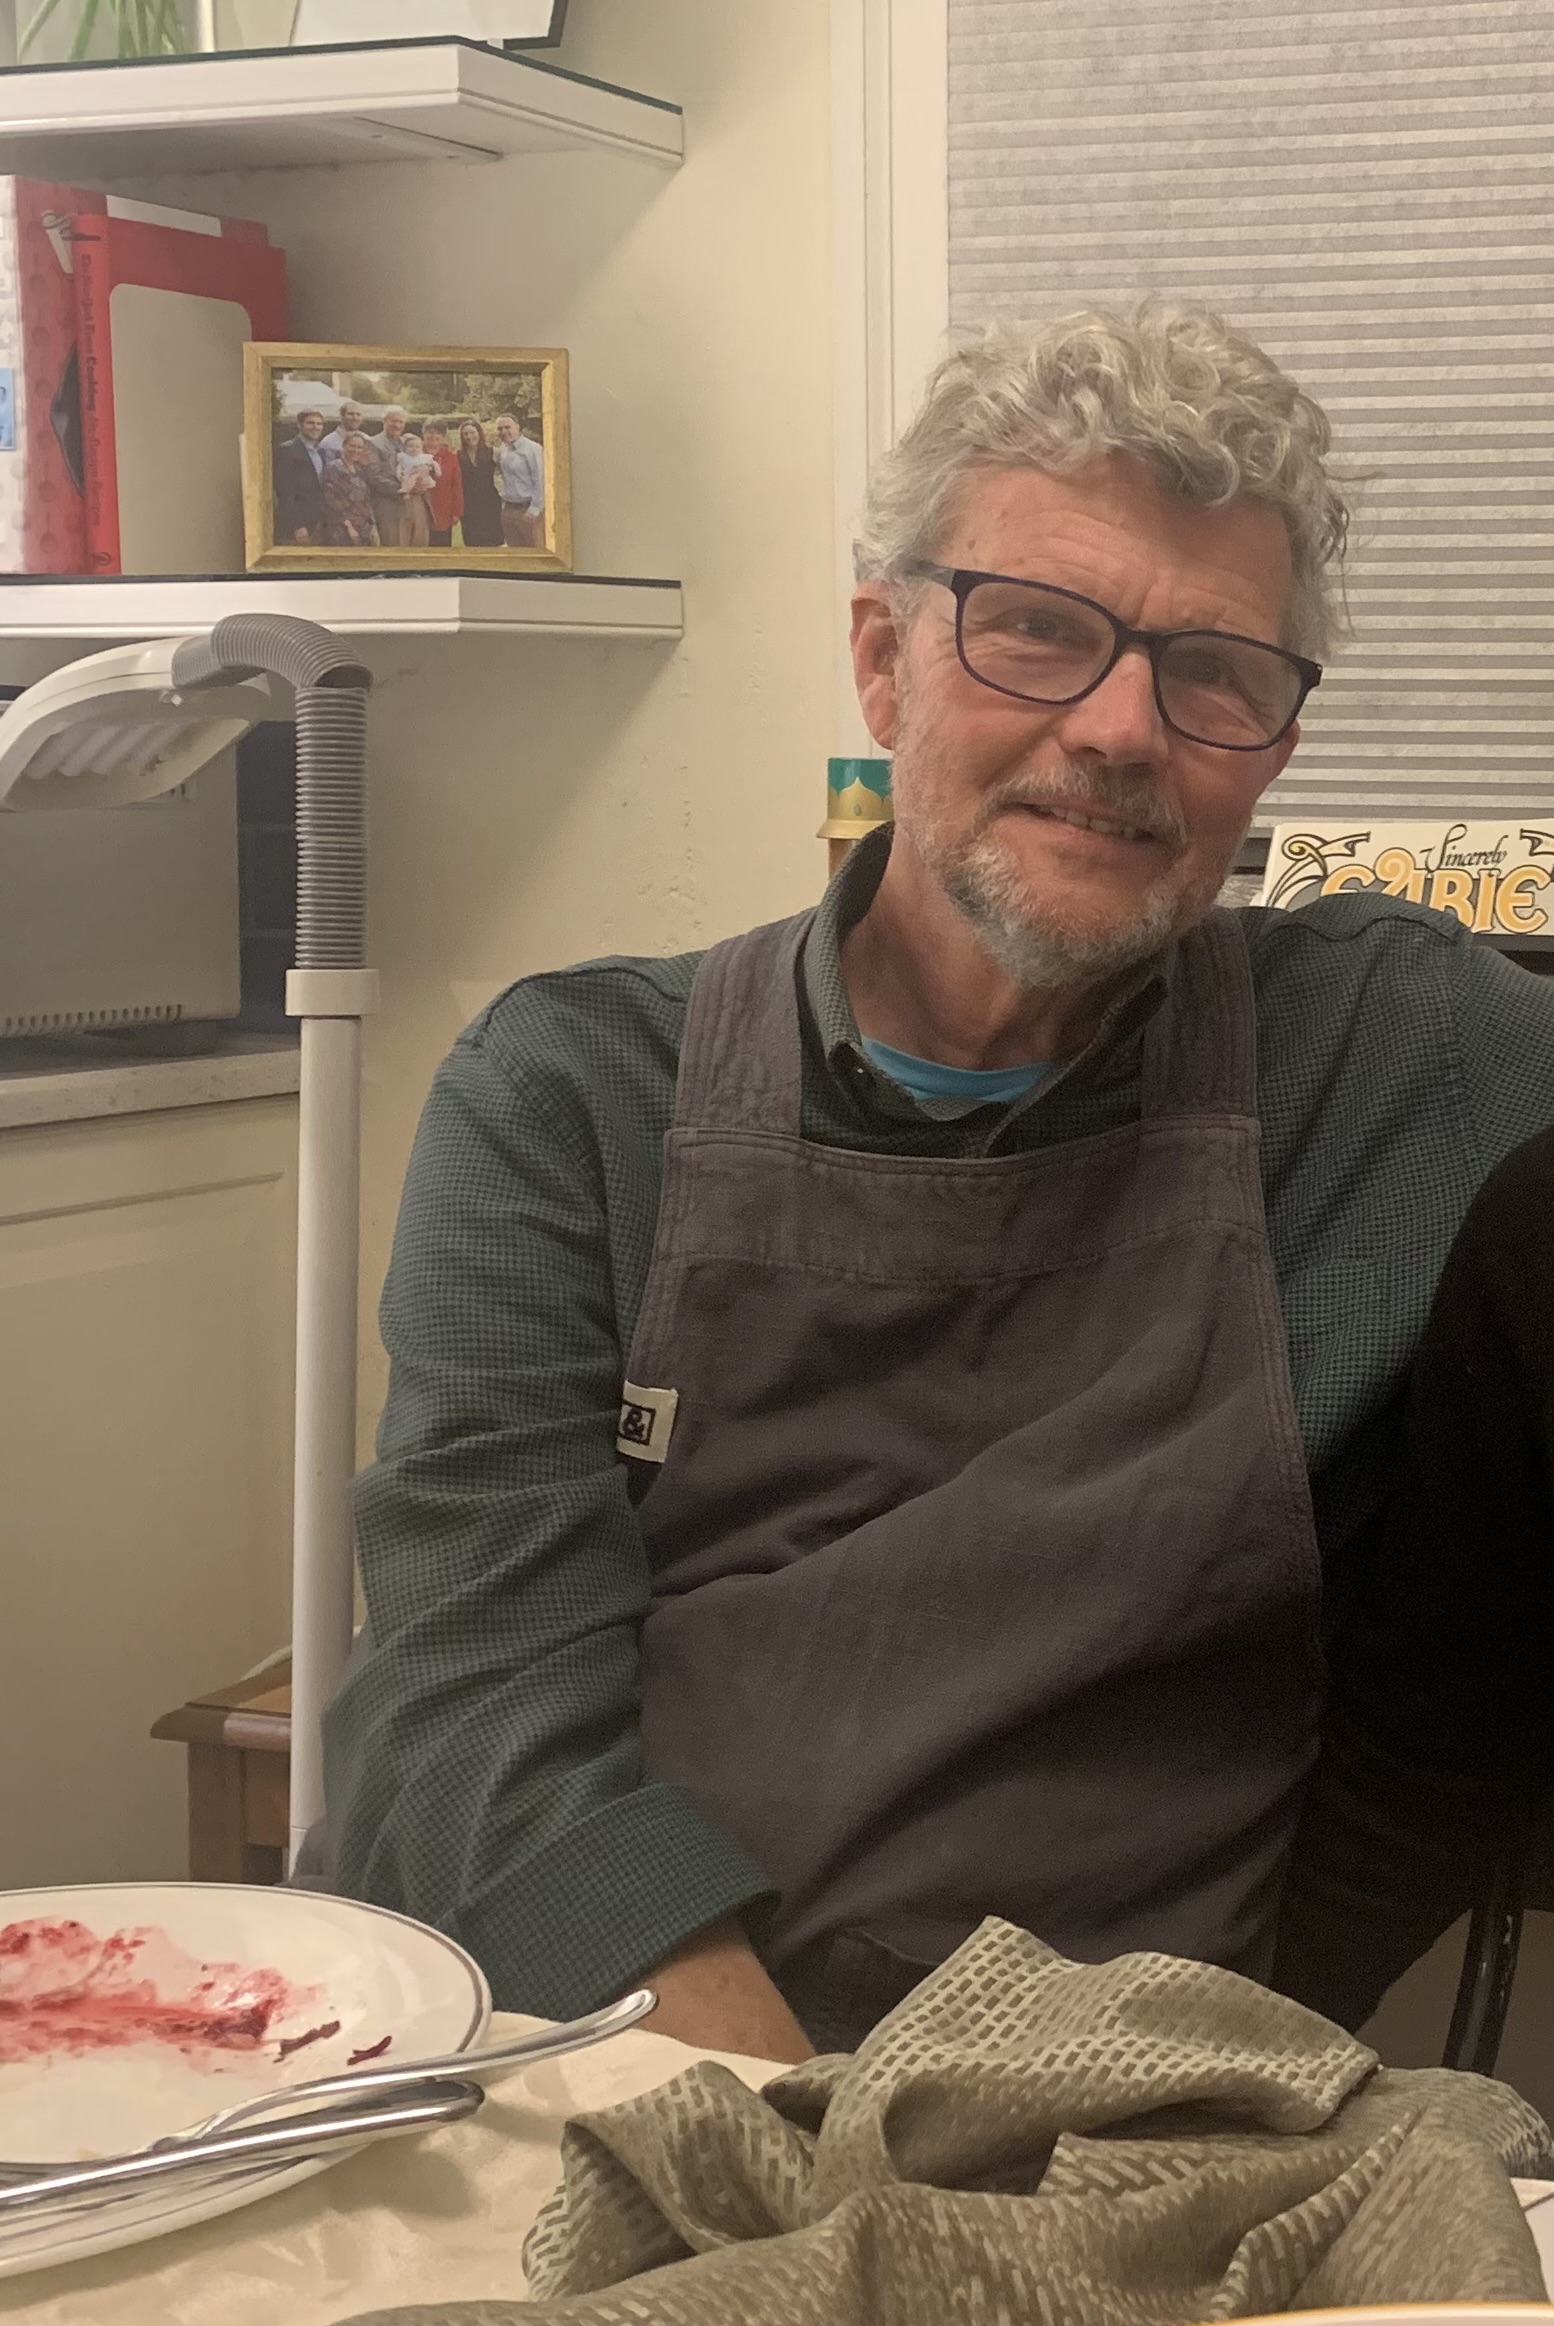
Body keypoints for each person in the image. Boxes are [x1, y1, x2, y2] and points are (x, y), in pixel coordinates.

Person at [324, 302, 1554, 2067]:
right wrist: (798, 2145)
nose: (1120, 728)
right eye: (1036, 628)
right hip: (622, 2069)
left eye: (1214, 671)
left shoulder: (1391, 1062)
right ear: (882, 661)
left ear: (1273, 747)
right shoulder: (570, 1099)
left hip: (1117, 2128)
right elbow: (475, 1695)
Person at [273, 408, 327, 545]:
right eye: (310, 423)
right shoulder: (287, 450)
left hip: (319, 522)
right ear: (299, 425)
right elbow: (285, 492)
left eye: (319, 424)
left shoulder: (321, 452)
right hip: (299, 525)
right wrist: (297, 526)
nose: (315, 427)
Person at [319, 431, 380, 549]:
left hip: (364, 529)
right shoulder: (333, 469)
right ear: (344, 446)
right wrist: (348, 527)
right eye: (352, 446)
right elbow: (331, 501)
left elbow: (367, 500)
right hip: (343, 530)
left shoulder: (360, 470)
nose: (356, 450)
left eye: (359, 447)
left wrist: (373, 525)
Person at [492, 412, 544, 549]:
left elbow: (540, 479)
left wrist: (534, 509)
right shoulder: (504, 449)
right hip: (508, 510)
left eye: (507, 427)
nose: (503, 431)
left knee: (535, 553)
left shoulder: (532, 449)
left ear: (517, 427)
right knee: (515, 554)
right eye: (500, 429)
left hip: (528, 510)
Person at [366, 406, 411, 548]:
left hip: (406, 505)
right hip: (385, 505)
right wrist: (401, 489)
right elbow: (374, 476)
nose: (397, 425)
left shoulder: (405, 443)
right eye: (393, 421)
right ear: (384, 421)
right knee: (390, 545)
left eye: (401, 422)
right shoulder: (373, 443)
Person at [457, 419, 503, 548]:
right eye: (465, 434)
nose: (469, 437)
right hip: (468, 506)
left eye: (472, 432)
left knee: (492, 543)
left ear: (479, 433)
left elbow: (505, 475)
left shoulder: (493, 452)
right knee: (472, 542)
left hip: (490, 504)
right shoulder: (458, 456)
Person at [421, 419, 464, 549]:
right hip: (420, 510)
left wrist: (457, 511)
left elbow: (456, 486)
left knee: (441, 548)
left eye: (438, 433)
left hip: (443, 510)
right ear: (423, 434)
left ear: (443, 436)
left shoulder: (450, 457)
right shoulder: (415, 453)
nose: (433, 436)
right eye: (430, 432)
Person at [395, 430, 437, 551]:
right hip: (402, 498)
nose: (413, 449)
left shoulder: (422, 457)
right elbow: (398, 472)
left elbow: (433, 469)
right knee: (404, 536)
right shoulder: (402, 457)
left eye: (416, 446)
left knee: (420, 533)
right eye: (410, 446)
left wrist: (428, 471)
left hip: (420, 495)